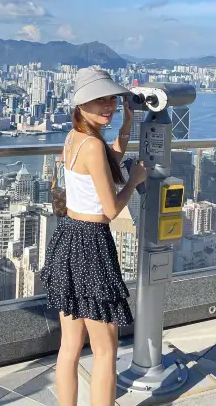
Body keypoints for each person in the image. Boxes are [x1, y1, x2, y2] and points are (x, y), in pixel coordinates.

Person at [40, 67, 147, 406]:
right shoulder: (92, 147)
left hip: (67, 238)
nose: (108, 106)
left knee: (70, 345)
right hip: (91, 244)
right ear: (81, 104)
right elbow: (112, 209)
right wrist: (134, 180)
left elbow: (106, 162)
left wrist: (127, 125)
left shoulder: (74, 138)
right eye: (99, 100)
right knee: (105, 348)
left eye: (112, 99)